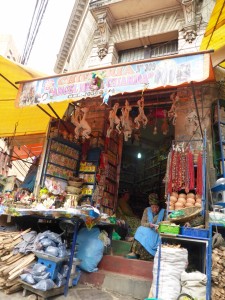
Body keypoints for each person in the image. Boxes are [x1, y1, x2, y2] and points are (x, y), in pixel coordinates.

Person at [126, 193, 165, 260]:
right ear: (150, 206)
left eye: (157, 207)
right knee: (140, 229)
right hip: (148, 229)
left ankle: (148, 255)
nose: (155, 209)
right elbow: (142, 223)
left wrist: (160, 226)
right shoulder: (147, 210)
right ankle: (134, 252)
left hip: (157, 233)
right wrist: (149, 225)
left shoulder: (163, 212)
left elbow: (166, 224)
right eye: (153, 207)